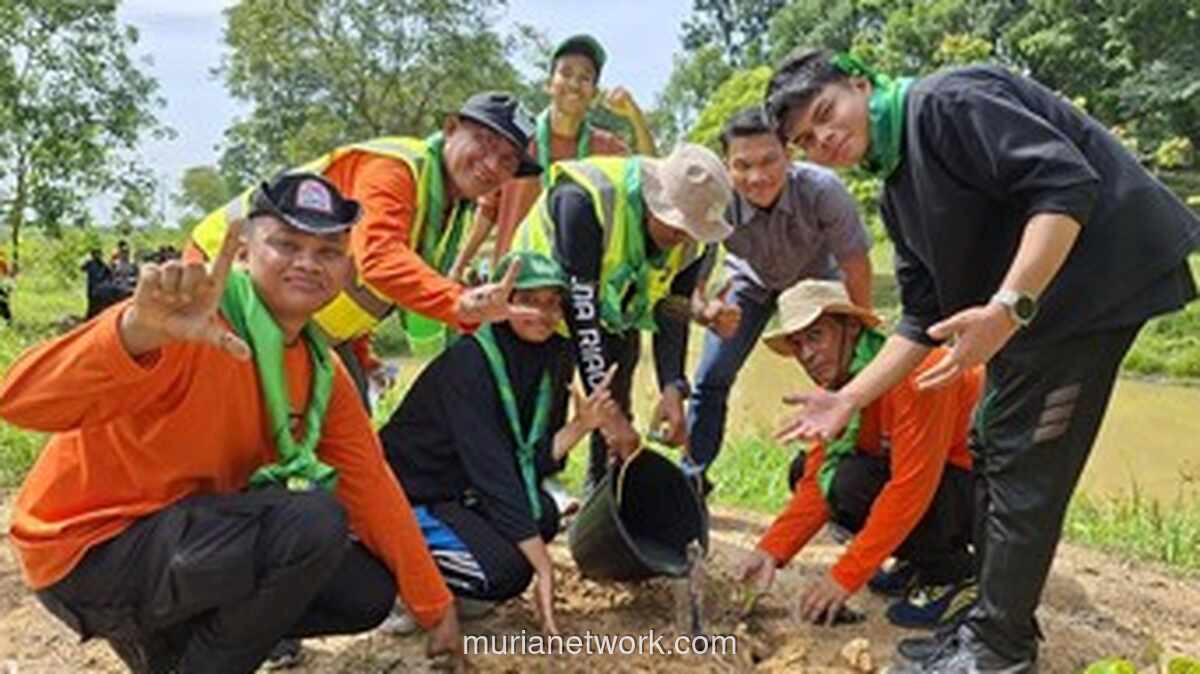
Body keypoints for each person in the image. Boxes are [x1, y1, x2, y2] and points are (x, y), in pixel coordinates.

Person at [767, 49, 1200, 672]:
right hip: (1034, 316)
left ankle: (998, 652)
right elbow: (919, 317)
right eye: (806, 139)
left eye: (826, 113)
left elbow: (1066, 182)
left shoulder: (945, 103)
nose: (825, 139)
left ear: (859, 83)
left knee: (1026, 463)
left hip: (1092, 291)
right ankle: (991, 628)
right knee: (993, 443)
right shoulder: (897, 187)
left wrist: (1006, 307)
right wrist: (848, 398)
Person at [0, 173, 462, 674]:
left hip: (187, 546)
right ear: (242, 252)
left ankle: (171, 651)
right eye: (286, 244)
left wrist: (435, 606)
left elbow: (372, 486)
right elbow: (20, 403)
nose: (307, 262)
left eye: (327, 252)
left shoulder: (321, 371)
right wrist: (133, 334)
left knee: (365, 589)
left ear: (347, 269)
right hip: (89, 554)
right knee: (311, 522)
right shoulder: (193, 324)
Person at [188, 92, 544, 402]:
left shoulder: (448, 210)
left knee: (345, 440)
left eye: (509, 160)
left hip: (300, 326)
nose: (492, 164)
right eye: (484, 141)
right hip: (222, 291)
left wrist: (361, 352)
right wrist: (458, 302)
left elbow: (365, 286)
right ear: (451, 128)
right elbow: (378, 259)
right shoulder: (395, 169)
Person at [379, 251, 621, 635]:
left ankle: (453, 582)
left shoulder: (553, 358)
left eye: (552, 302)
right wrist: (544, 569)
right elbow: (493, 472)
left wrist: (581, 425)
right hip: (411, 492)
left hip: (461, 489)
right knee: (508, 572)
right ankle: (399, 579)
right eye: (528, 301)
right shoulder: (471, 360)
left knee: (540, 516)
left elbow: (527, 462)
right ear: (503, 304)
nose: (543, 314)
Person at [738, 280, 981, 631]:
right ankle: (916, 561)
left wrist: (843, 578)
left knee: (851, 483)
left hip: (989, 494)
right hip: (943, 484)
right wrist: (770, 553)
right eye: (797, 343)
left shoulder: (916, 373)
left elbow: (912, 488)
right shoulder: (838, 386)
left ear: (851, 327)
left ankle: (956, 576)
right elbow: (818, 480)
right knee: (812, 471)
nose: (805, 354)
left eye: (816, 336)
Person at [511, 143, 736, 489]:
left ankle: (604, 484)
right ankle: (536, 482)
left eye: (692, 231)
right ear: (654, 198)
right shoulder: (585, 200)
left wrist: (672, 387)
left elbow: (671, 309)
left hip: (617, 304)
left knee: (618, 379)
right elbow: (580, 310)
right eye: (677, 227)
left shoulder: (693, 240)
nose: (683, 239)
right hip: (540, 305)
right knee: (550, 391)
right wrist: (610, 417)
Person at [684, 106, 872, 495]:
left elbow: (856, 265)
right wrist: (707, 312)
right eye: (743, 165)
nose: (757, 177)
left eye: (769, 160)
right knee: (710, 376)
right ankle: (691, 481)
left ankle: (847, 479)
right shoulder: (717, 202)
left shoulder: (823, 191)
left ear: (789, 154)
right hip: (749, 282)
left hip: (815, 280)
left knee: (850, 374)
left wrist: (861, 330)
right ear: (727, 167)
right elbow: (694, 284)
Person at [450, 33, 657, 281]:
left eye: (585, 77)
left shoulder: (606, 148)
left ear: (593, 93)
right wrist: (458, 266)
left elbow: (651, 178)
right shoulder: (517, 142)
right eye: (566, 73)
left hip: (575, 286)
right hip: (514, 282)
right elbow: (487, 210)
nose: (574, 83)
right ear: (549, 84)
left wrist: (635, 116)